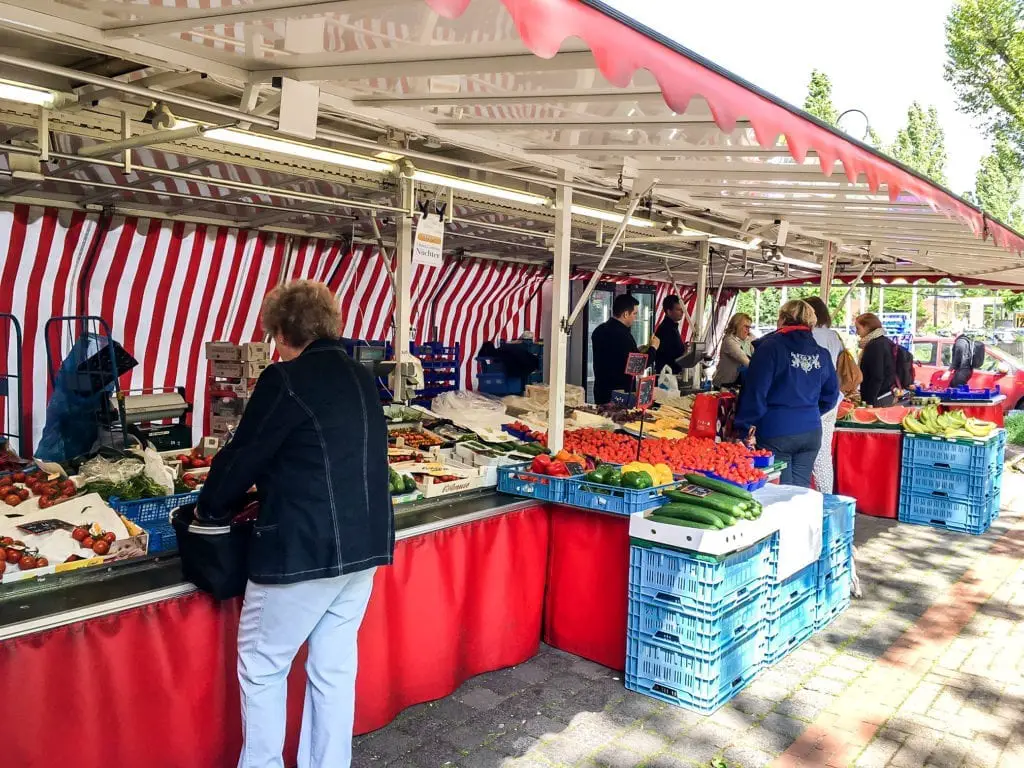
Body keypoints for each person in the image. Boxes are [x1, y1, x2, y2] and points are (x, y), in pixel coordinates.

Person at [198, 280, 394, 768]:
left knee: (263, 667)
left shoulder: (284, 378)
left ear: (281, 332)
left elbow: (244, 455)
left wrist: (210, 509)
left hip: (302, 547)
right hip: (364, 545)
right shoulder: (362, 376)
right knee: (333, 668)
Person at [734, 300, 839, 488]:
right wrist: (810, 411)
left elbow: (756, 391)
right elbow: (831, 395)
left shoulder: (770, 348)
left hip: (777, 429)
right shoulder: (821, 353)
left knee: (779, 492)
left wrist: (745, 426)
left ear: (782, 319)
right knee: (799, 491)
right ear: (811, 323)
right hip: (810, 430)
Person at [804, 297, 844, 495]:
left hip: (812, 401)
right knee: (823, 454)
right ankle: (826, 496)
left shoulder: (811, 335)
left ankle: (809, 498)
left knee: (805, 454)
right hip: (832, 398)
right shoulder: (833, 336)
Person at [591, 293, 659, 405]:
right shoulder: (623, 335)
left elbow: (616, 356)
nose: (635, 318)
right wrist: (653, 347)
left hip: (601, 390)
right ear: (626, 314)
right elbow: (638, 366)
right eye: (635, 314)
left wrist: (637, 351)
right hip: (619, 394)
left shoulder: (599, 330)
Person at [855, 312, 896, 406]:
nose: (857, 332)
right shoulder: (885, 341)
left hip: (878, 397)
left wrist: (870, 401)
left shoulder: (875, 345)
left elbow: (877, 376)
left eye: (858, 328)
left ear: (867, 327)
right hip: (886, 393)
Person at [712, 313, 754, 388]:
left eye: (749, 327)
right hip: (724, 384)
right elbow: (745, 360)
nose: (748, 330)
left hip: (737, 383)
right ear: (736, 325)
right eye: (746, 327)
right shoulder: (729, 341)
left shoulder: (749, 339)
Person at [654, 294, 687, 373]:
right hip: (666, 376)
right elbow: (669, 355)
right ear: (669, 312)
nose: (682, 312)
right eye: (679, 310)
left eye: (682, 309)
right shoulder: (666, 329)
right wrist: (684, 352)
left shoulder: (672, 327)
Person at [949, 323, 976, 388]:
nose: (951, 329)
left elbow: (958, 358)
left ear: (959, 330)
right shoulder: (966, 340)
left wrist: (949, 371)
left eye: (953, 328)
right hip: (966, 370)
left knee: (955, 393)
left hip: (962, 371)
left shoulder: (960, 341)